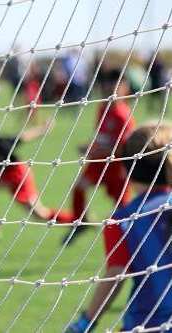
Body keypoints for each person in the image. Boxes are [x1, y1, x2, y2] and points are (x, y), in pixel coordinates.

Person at [66, 121, 172, 332]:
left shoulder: (123, 220)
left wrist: (86, 321)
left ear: (126, 168)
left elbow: (116, 276)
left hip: (148, 323)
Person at [61, 68, 135, 244]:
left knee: (123, 210)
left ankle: (133, 239)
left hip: (116, 167)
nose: (109, 90)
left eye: (115, 87)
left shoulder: (123, 116)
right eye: (107, 87)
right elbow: (102, 138)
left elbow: (121, 150)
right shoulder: (103, 108)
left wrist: (94, 151)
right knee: (79, 188)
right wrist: (90, 146)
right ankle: (81, 222)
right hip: (98, 162)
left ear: (124, 89)